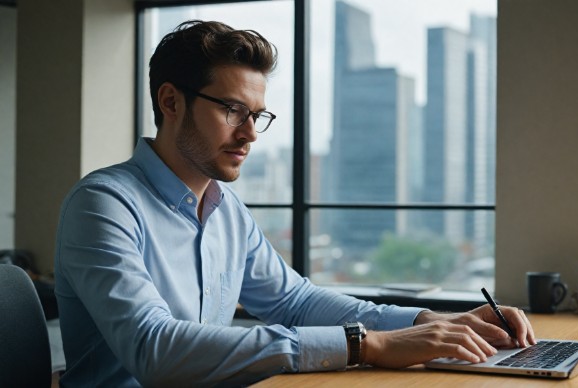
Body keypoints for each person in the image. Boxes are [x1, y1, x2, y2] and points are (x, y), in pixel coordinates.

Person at [54, 20, 535, 387]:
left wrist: (428, 322)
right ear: (171, 101)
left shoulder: (227, 210)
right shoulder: (104, 206)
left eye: (257, 116)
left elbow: (294, 301)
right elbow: (153, 349)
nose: (248, 134)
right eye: (232, 110)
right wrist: (364, 345)